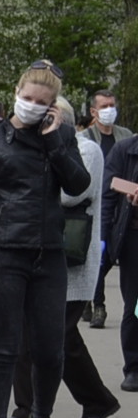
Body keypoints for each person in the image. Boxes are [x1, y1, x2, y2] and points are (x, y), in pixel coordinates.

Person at [0, 61, 92, 418]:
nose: (33, 106)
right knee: (4, 349)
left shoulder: (63, 136)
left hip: (49, 255)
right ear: (17, 91)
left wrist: (54, 141)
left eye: (43, 102)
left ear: (54, 107)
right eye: (28, 98)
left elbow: (78, 185)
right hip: (2, 253)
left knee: (50, 351)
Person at [9, 98, 117, 418]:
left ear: (62, 121)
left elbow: (75, 193)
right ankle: (26, 406)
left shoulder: (87, 150)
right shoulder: (34, 146)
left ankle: (97, 400)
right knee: (25, 335)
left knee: (61, 336)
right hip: (37, 252)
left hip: (74, 258)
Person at [81, 91, 122, 325]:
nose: (110, 110)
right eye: (105, 106)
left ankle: (89, 296)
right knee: (99, 256)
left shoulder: (124, 138)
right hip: (95, 209)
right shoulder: (85, 138)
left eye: (112, 105)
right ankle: (99, 306)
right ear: (94, 112)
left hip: (122, 208)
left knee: (110, 259)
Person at [106, 131, 138, 398]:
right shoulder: (125, 150)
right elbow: (108, 195)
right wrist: (104, 238)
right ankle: (134, 366)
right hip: (133, 239)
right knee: (136, 304)